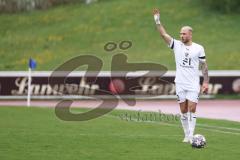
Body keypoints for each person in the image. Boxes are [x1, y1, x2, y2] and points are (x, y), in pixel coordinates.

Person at [153, 9, 209, 143]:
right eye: (180, 33)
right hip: (180, 83)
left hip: (193, 83)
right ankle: (186, 134)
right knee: (183, 110)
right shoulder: (176, 45)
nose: (181, 35)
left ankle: (191, 135)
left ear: (190, 34)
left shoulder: (199, 48)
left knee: (192, 108)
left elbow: (204, 66)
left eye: (184, 33)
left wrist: (206, 81)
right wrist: (157, 21)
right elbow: (163, 35)